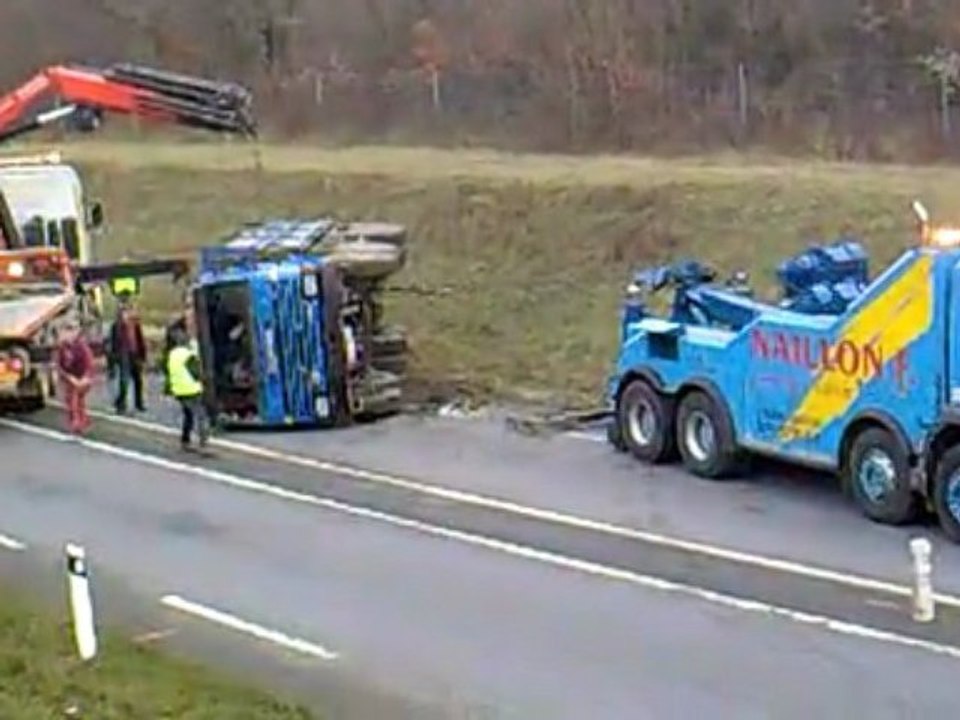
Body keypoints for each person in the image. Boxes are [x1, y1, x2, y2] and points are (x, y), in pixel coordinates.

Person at [166, 325, 209, 452]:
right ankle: (203, 443)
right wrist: (204, 380)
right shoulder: (188, 355)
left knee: (188, 415)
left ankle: (185, 441)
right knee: (201, 415)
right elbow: (196, 372)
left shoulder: (172, 354)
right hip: (191, 389)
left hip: (179, 390)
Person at [107, 301, 147, 414]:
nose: (127, 314)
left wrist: (143, 355)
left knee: (138, 380)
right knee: (124, 380)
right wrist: (113, 359)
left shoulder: (135, 324)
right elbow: (113, 343)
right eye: (124, 312)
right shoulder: (117, 326)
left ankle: (138, 403)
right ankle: (121, 404)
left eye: (129, 311)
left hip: (134, 354)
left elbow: (140, 340)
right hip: (123, 354)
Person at [56, 320, 94, 435]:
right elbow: (60, 366)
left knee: (77, 402)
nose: (68, 334)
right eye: (66, 331)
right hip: (70, 378)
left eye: (72, 331)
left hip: (83, 378)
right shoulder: (62, 348)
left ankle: (79, 424)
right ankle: (79, 423)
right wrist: (68, 377)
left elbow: (89, 364)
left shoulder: (82, 347)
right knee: (72, 401)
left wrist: (85, 378)